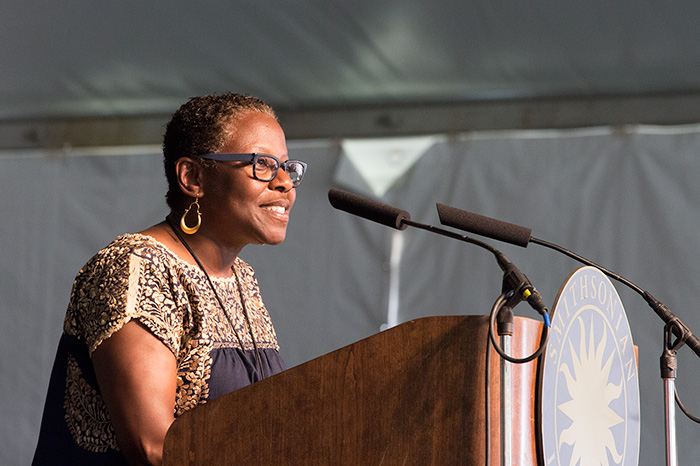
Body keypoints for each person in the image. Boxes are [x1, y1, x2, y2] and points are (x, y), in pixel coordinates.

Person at [32, 93, 307, 465]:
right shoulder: (136, 267)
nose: (284, 183)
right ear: (193, 177)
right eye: (262, 164)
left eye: (287, 167)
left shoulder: (242, 279)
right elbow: (156, 449)